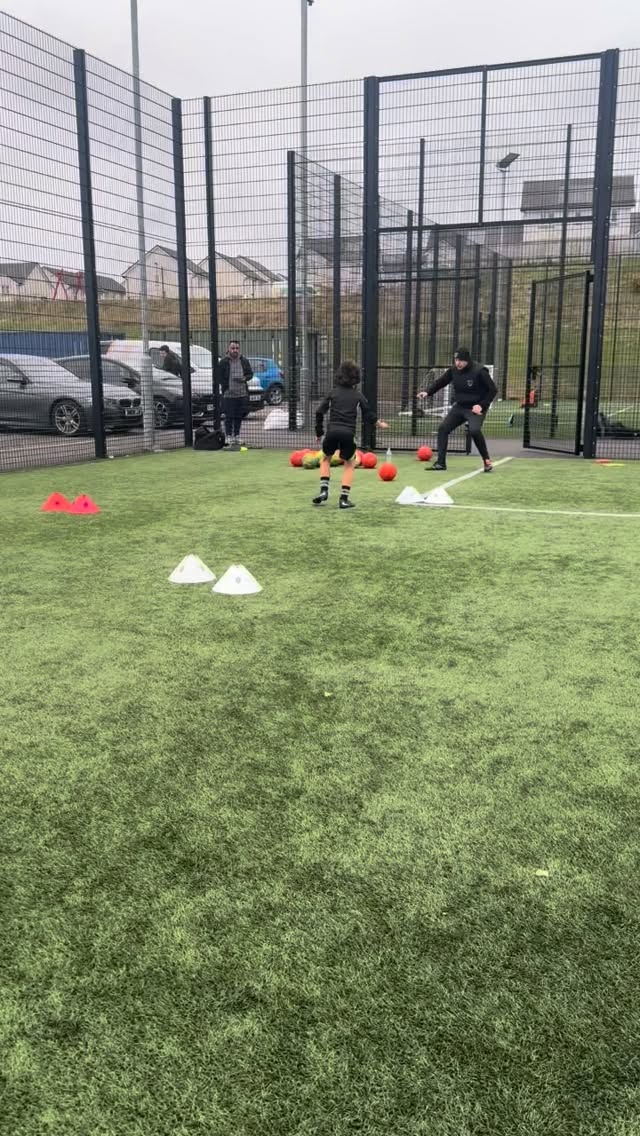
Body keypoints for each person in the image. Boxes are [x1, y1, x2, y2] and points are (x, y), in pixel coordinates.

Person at [313, 361, 388, 509]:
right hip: (348, 433)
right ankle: (344, 499)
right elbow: (368, 413)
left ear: (339, 376)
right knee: (349, 463)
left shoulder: (332, 393)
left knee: (325, 459)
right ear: (356, 378)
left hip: (332, 432)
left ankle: (323, 490)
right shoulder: (358, 396)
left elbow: (319, 412)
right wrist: (379, 423)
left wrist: (319, 432)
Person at [417, 348, 496, 471]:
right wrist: (427, 392)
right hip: (460, 407)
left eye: (461, 361)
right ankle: (440, 463)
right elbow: (441, 382)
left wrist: (481, 405)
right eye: (456, 360)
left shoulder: (480, 371)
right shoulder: (453, 370)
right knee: (443, 429)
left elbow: (493, 390)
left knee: (474, 430)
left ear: (468, 361)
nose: (458, 363)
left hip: (475, 408)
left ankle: (486, 461)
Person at [217, 340, 254, 448]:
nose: (235, 350)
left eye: (237, 348)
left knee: (238, 416)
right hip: (228, 394)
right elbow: (218, 376)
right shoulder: (223, 362)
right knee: (229, 416)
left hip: (242, 393)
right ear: (228, 349)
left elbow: (250, 374)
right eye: (233, 348)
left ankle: (237, 436)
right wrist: (226, 385)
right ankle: (228, 436)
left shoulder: (244, 361)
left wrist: (244, 378)